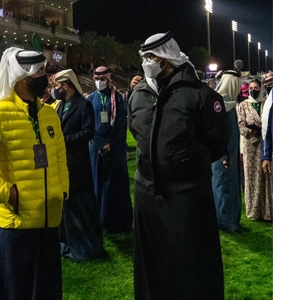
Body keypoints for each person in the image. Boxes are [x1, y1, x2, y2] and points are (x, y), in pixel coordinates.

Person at [0, 47, 69, 300]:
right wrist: (6, 192)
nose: (46, 77)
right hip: (16, 225)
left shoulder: (49, 113)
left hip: (49, 220)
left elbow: (59, 155)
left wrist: (62, 188)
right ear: (22, 77)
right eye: (40, 72)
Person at [127, 32, 227, 299]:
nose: (148, 62)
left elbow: (216, 144)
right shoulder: (138, 95)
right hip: (147, 196)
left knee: (191, 267)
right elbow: (137, 134)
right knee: (151, 268)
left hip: (187, 196)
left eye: (153, 57)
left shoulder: (201, 95)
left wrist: (183, 164)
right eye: (145, 57)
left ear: (168, 57)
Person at [50, 69, 105, 261]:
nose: (55, 90)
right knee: (66, 206)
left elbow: (88, 132)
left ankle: (84, 245)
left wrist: (63, 140)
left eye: (57, 86)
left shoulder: (84, 105)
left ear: (66, 86)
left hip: (77, 164)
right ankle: (66, 242)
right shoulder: (58, 106)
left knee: (80, 206)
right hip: (60, 164)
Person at [86, 66, 133, 234]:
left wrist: (109, 143)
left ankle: (118, 222)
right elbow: (88, 125)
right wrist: (99, 143)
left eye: (103, 78)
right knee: (98, 184)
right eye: (97, 78)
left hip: (115, 149)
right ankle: (101, 221)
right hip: (96, 149)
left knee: (116, 184)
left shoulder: (118, 98)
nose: (100, 81)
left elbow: (121, 124)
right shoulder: (90, 99)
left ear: (108, 78)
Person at [212, 68, 243, 233]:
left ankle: (233, 220)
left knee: (232, 186)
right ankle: (225, 222)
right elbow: (218, 133)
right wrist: (224, 155)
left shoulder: (229, 102)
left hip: (231, 153)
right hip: (223, 156)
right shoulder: (220, 104)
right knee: (223, 186)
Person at [237, 79, 273, 221]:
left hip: (264, 144)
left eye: (256, 87)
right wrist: (252, 131)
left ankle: (266, 211)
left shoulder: (266, 103)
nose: (253, 90)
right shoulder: (243, 105)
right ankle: (253, 211)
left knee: (266, 178)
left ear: (261, 88)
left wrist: (261, 130)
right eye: (251, 87)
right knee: (251, 177)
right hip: (250, 146)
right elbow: (240, 125)